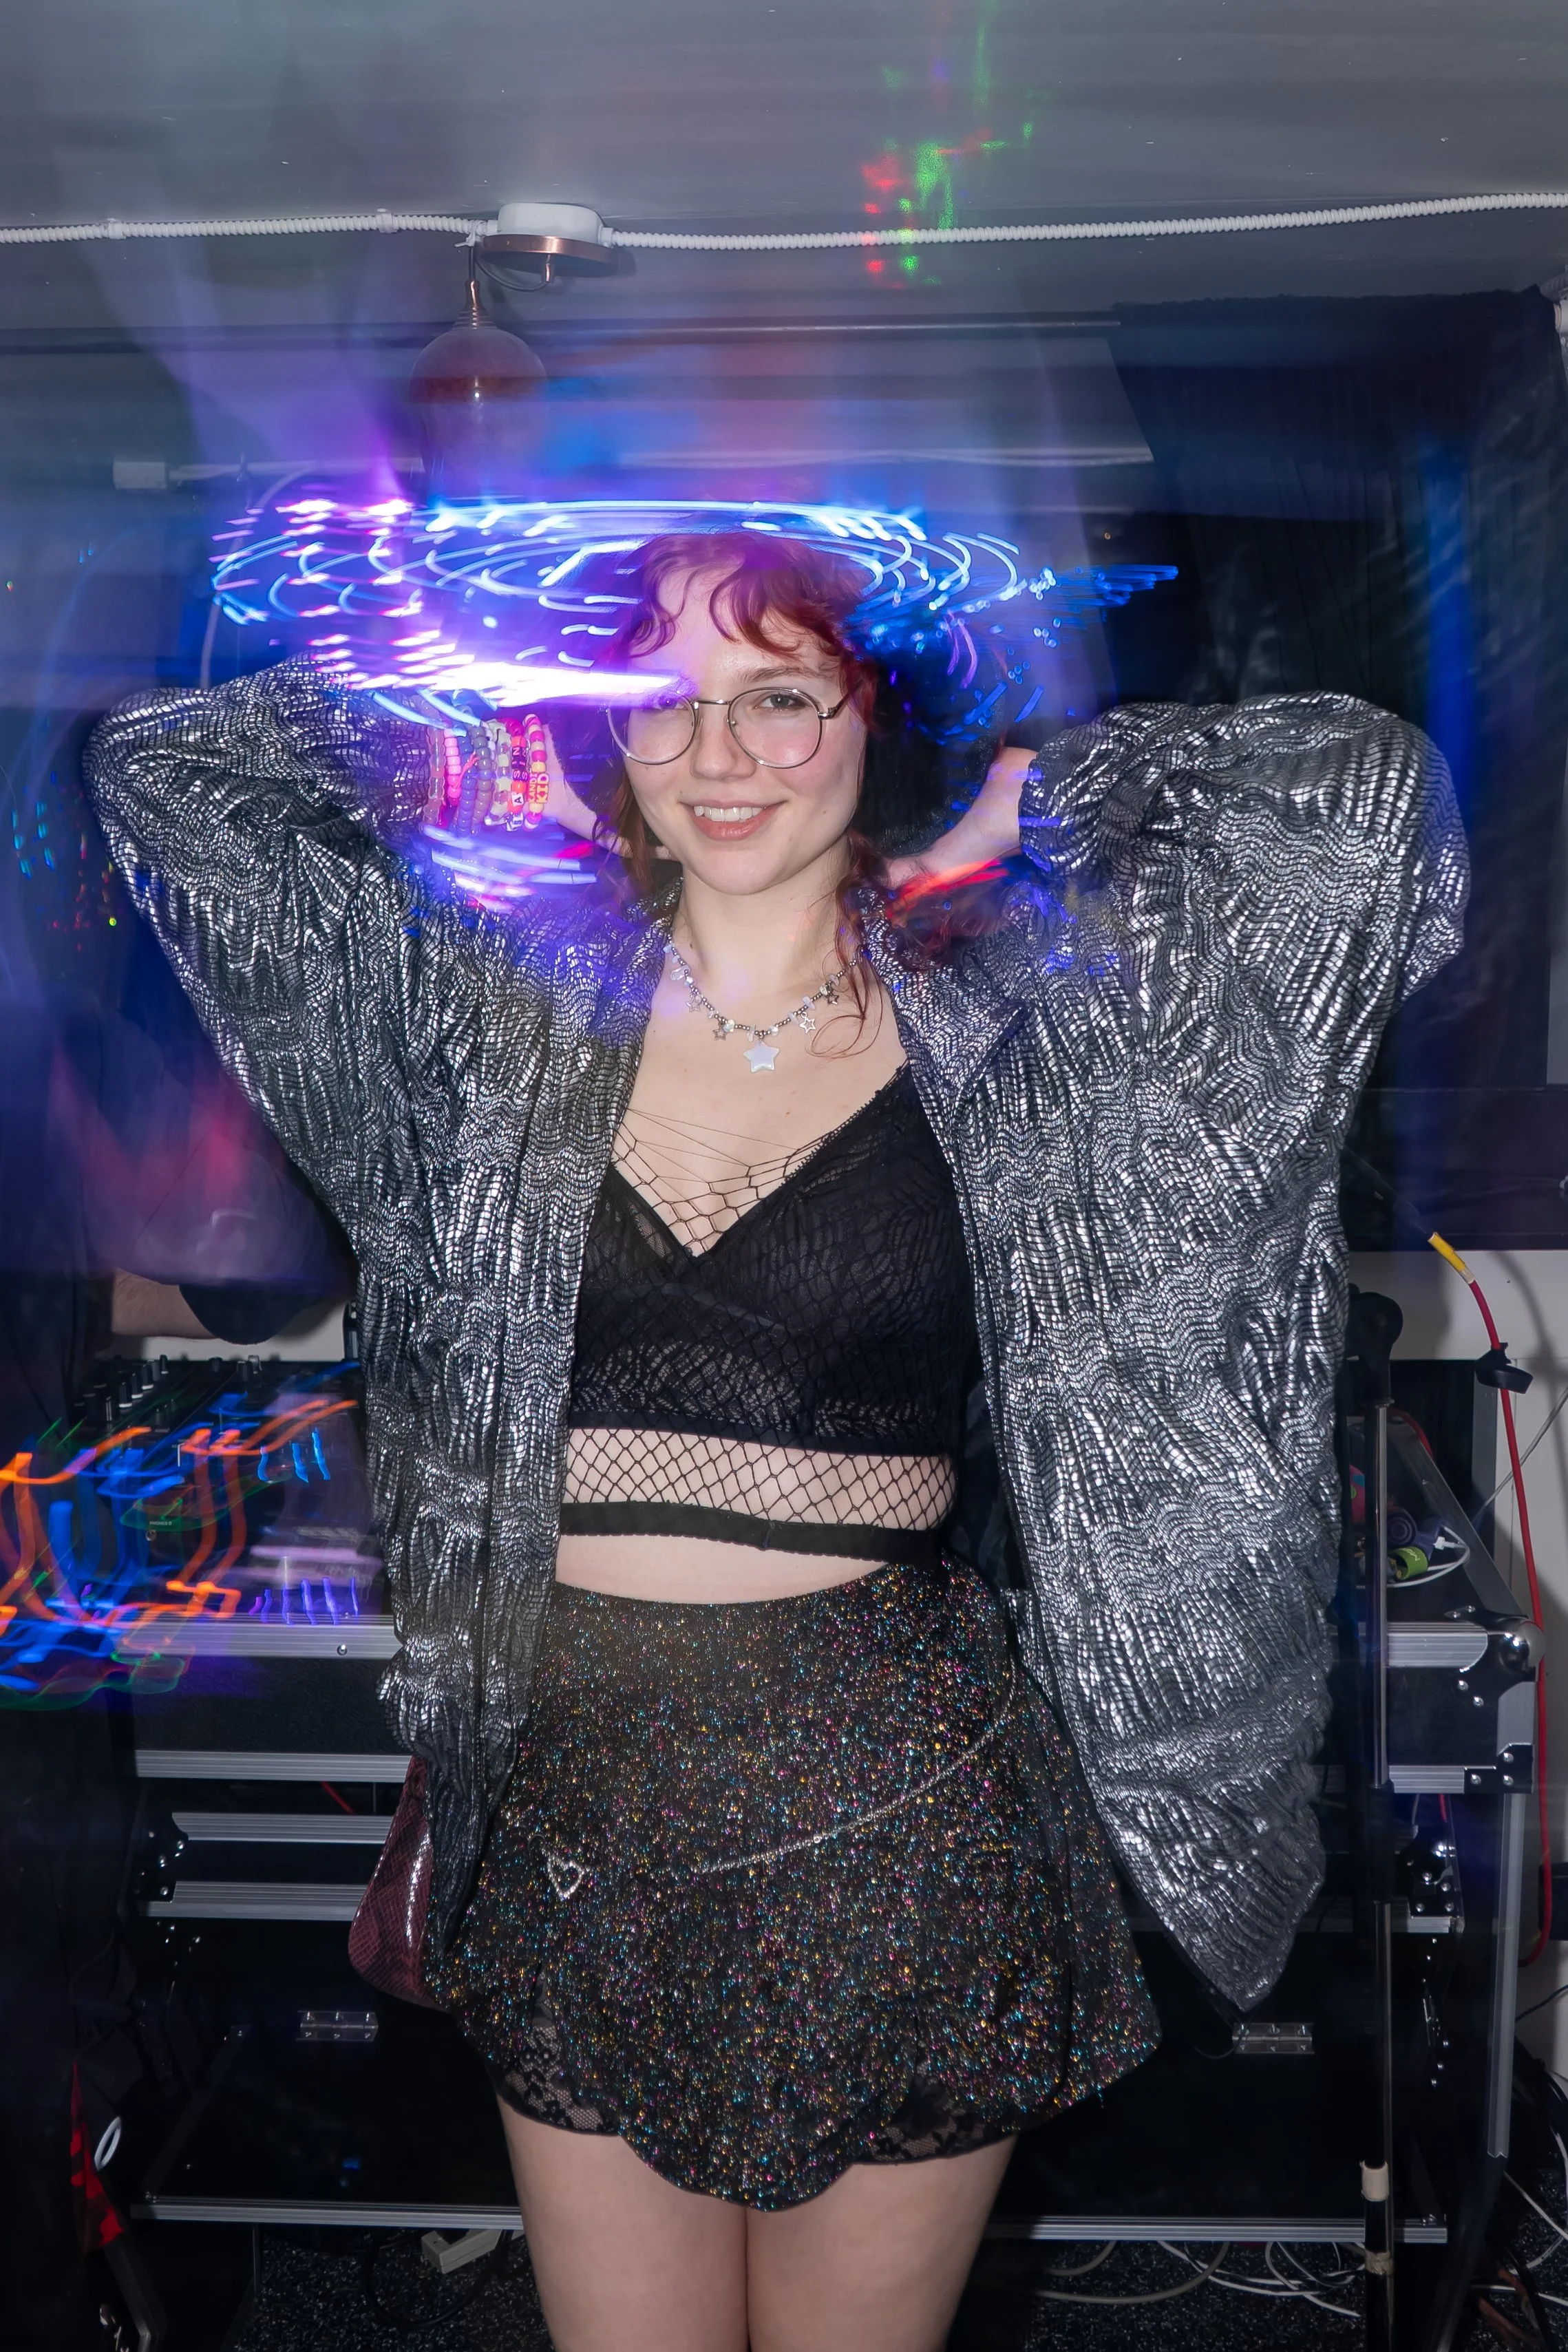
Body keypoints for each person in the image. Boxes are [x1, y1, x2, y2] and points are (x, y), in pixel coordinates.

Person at [85, 527, 1465, 2352]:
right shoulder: (486, 1023)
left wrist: (1039, 791)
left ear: (871, 713)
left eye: (781, 696)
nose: (719, 753)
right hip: (576, 1781)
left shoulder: (1015, 1032)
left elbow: (1360, 804)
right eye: (663, 703)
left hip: (889, 1794)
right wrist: (455, 736)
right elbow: (165, 772)